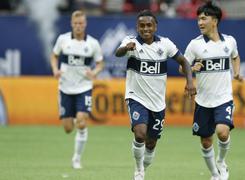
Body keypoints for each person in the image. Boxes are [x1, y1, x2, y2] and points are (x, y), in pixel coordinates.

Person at [115, 10, 196, 180]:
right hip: (136, 97)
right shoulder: (131, 42)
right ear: (137, 27)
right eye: (142, 26)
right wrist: (125, 48)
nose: (145, 29)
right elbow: (118, 53)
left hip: (158, 103)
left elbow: (184, 61)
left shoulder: (165, 44)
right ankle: (138, 170)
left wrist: (190, 81)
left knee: (151, 144)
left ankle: (143, 167)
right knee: (140, 134)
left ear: (155, 26)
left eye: (149, 25)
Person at [180, 2, 242, 180]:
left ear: (214, 21)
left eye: (203, 18)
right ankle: (215, 174)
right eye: (198, 19)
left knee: (223, 132)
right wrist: (192, 68)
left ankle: (221, 162)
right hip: (203, 101)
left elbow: (235, 56)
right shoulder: (195, 45)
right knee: (206, 141)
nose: (199, 22)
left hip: (223, 98)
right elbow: (182, 68)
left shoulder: (229, 41)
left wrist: (237, 72)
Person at [50, 10, 104, 169]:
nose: (78, 26)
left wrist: (94, 72)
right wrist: (55, 69)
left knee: (81, 123)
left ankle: (77, 158)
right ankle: (75, 117)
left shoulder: (92, 43)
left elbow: (100, 63)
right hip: (65, 87)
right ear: (71, 24)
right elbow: (54, 56)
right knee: (68, 128)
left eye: (81, 23)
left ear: (85, 24)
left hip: (84, 87)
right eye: (76, 23)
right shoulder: (63, 39)